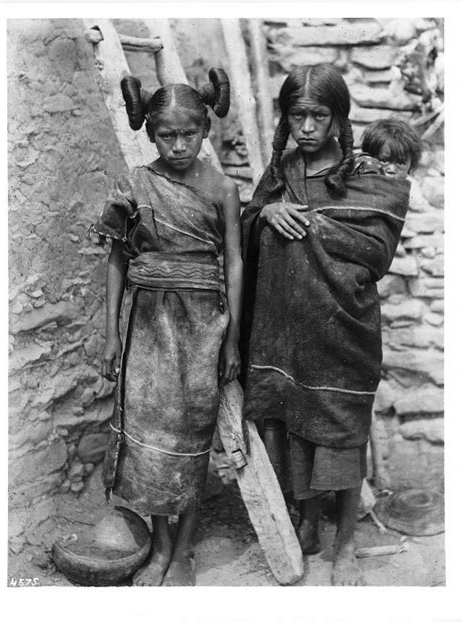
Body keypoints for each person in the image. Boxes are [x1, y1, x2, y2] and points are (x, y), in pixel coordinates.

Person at [240, 64, 410, 586]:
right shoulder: (283, 172)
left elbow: (377, 251)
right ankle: (308, 522)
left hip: (342, 327)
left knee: (340, 430)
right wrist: (267, 215)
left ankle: (347, 544)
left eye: (319, 115)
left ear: (339, 118)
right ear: (285, 120)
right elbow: (248, 225)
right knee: (293, 424)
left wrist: (314, 225)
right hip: (287, 331)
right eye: (297, 116)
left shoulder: (368, 178)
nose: (308, 127)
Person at [91, 68, 243, 586]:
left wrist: (232, 339)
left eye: (189, 133)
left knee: (194, 433)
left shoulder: (224, 188)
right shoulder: (135, 183)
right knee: (148, 435)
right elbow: (115, 259)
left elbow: (235, 263)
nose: (178, 145)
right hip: (148, 324)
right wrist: (111, 333)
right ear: (149, 133)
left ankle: (184, 551)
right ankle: (159, 545)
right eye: (166, 135)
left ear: (206, 129)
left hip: (204, 325)